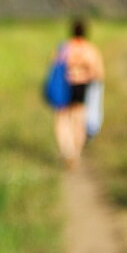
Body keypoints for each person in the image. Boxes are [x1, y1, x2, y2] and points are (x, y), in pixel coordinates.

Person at [54, 18, 105, 168]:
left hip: (64, 86)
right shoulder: (90, 49)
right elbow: (97, 73)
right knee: (78, 119)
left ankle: (67, 150)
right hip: (81, 85)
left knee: (62, 119)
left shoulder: (64, 48)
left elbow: (54, 67)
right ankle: (76, 153)